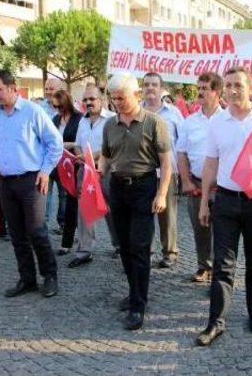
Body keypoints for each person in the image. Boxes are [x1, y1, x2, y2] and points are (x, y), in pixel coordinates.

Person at [195, 67, 252, 346]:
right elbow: (211, 162)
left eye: (239, 85)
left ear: (250, 89)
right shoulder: (218, 122)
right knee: (223, 265)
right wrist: (204, 202)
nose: (233, 90)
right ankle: (215, 322)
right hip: (225, 200)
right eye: (229, 85)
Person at [100, 72, 172, 330]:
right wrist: (98, 169)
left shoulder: (154, 123)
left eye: (122, 97)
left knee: (140, 247)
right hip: (118, 187)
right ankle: (134, 290)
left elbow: (166, 163)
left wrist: (162, 193)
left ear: (137, 95)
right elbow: (107, 156)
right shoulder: (109, 125)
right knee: (125, 246)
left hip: (144, 188)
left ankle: (138, 306)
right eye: (114, 98)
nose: (117, 102)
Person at [0, 70, 63, 299]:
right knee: (16, 234)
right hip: (5, 182)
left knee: (36, 231)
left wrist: (45, 171)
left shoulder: (33, 111)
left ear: (12, 88)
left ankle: (50, 276)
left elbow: (55, 143)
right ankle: (27, 279)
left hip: (31, 180)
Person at [176, 72, 223, 283]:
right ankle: (204, 265)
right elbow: (181, 153)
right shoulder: (189, 121)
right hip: (195, 184)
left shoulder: (227, 119)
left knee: (222, 231)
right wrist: (185, 181)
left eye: (206, 88)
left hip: (222, 187)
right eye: (200, 88)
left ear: (218, 92)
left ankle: (220, 271)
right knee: (200, 228)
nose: (200, 92)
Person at [68, 83, 117, 268]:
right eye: (85, 100)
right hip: (85, 171)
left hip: (107, 171)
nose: (88, 102)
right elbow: (80, 144)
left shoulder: (112, 119)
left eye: (92, 99)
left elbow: (111, 147)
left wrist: (90, 156)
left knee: (111, 210)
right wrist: (81, 155)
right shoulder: (82, 121)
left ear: (102, 100)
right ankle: (84, 251)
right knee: (84, 211)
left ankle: (119, 244)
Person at [141, 72, 184, 268]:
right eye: (147, 84)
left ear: (161, 88)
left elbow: (183, 144)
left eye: (154, 84)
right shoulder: (135, 112)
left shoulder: (174, 113)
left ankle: (170, 252)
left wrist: (185, 173)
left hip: (168, 173)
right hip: (141, 173)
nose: (150, 88)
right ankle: (145, 250)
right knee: (143, 213)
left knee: (167, 215)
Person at [51, 90, 83, 255]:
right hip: (60, 165)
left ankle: (68, 242)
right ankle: (68, 241)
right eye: (54, 106)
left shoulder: (80, 118)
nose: (57, 109)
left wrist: (68, 144)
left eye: (60, 106)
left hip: (76, 164)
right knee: (67, 202)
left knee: (72, 203)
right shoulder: (55, 119)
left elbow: (83, 140)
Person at [42, 78, 67, 234]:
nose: (49, 92)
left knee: (64, 194)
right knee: (45, 192)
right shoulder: (38, 108)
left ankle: (63, 223)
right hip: (45, 158)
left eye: (52, 88)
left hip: (65, 159)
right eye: (46, 89)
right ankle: (41, 224)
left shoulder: (70, 108)